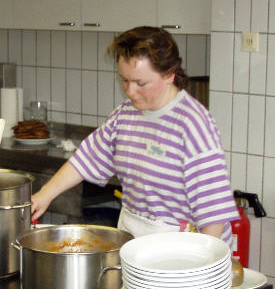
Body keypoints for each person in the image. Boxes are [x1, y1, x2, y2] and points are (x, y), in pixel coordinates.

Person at [31, 26, 239, 245]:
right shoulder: (125, 114)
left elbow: (214, 212)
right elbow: (87, 159)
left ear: (169, 74)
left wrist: (203, 259)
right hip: (135, 239)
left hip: (185, 248)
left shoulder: (193, 124)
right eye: (124, 80)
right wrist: (44, 195)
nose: (130, 91)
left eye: (141, 83)